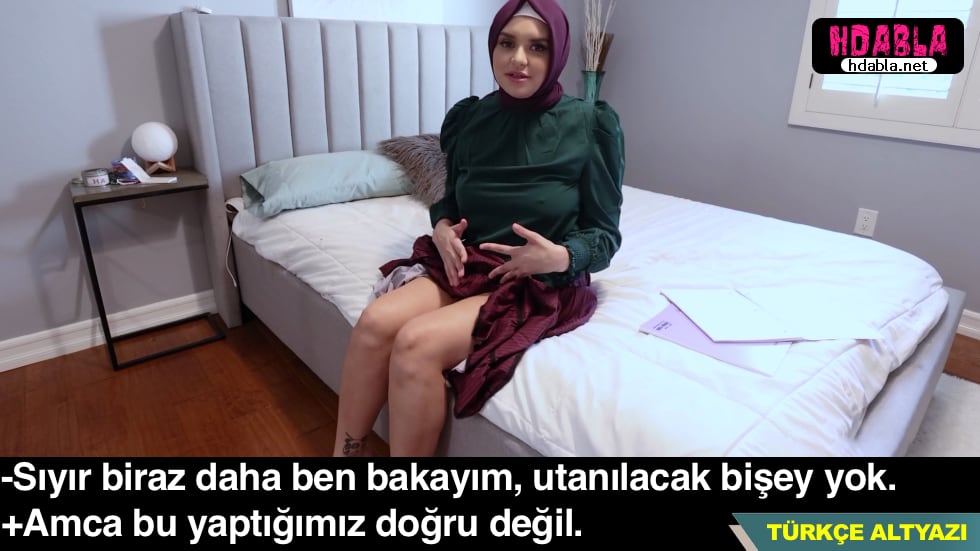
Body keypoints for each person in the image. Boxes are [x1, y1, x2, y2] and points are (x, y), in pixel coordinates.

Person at [331, 0, 625, 457]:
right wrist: (442, 226)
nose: (518, 59)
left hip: (541, 279)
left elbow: (605, 235)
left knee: (415, 344)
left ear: (558, 54)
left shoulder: (590, 125)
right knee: (374, 324)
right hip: (473, 263)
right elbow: (450, 198)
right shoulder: (471, 119)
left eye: (537, 47)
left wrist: (559, 257)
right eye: (507, 43)